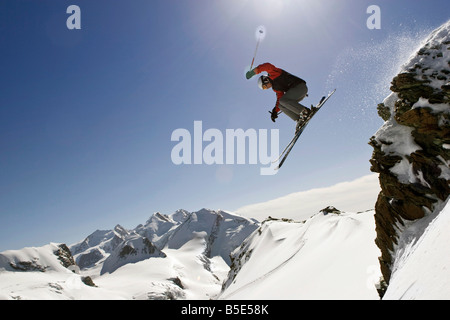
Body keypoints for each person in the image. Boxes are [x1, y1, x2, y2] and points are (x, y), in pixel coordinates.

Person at [246, 63, 311, 128]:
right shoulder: (275, 88)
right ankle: (299, 119)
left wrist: (252, 73)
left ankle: (305, 111)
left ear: (266, 80)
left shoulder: (274, 74)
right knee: (281, 105)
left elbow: (267, 66)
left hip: (300, 87)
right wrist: (275, 111)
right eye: (264, 89)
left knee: (282, 100)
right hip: (296, 93)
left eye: (265, 87)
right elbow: (279, 99)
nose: (267, 88)